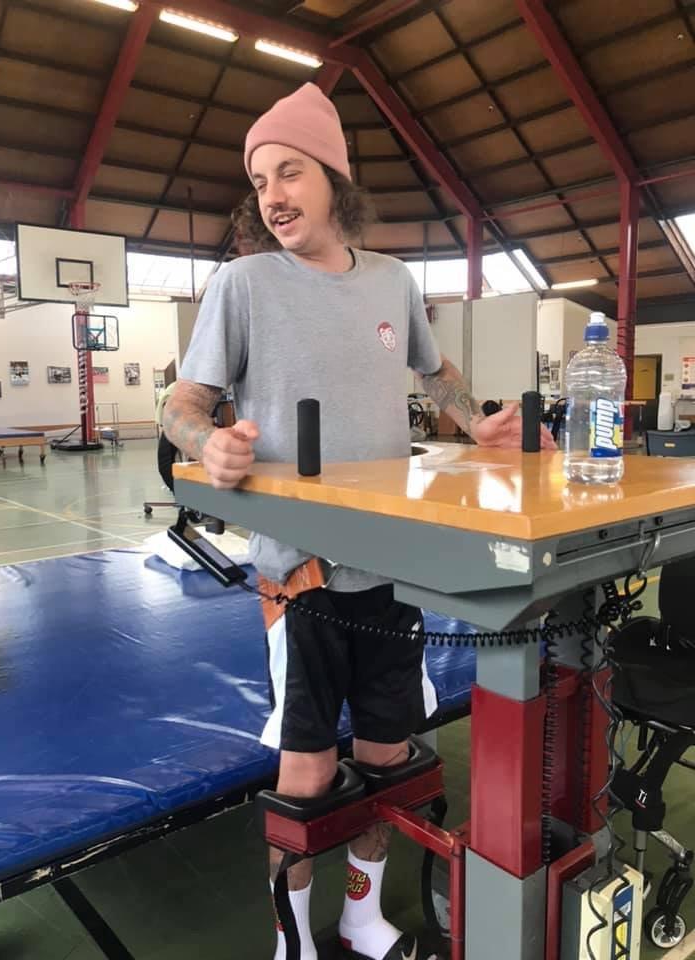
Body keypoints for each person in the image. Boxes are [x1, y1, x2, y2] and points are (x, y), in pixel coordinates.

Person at [163, 82, 556, 960]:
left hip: (393, 571)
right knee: (305, 775)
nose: (272, 194)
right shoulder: (242, 284)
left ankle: (362, 916)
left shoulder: (392, 280)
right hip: (302, 576)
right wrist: (207, 442)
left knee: (390, 760)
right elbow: (181, 403)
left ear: (335, 179)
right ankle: (292, 940)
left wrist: (476, 421)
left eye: (289, 171)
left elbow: (435, 370)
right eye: (259, 180)